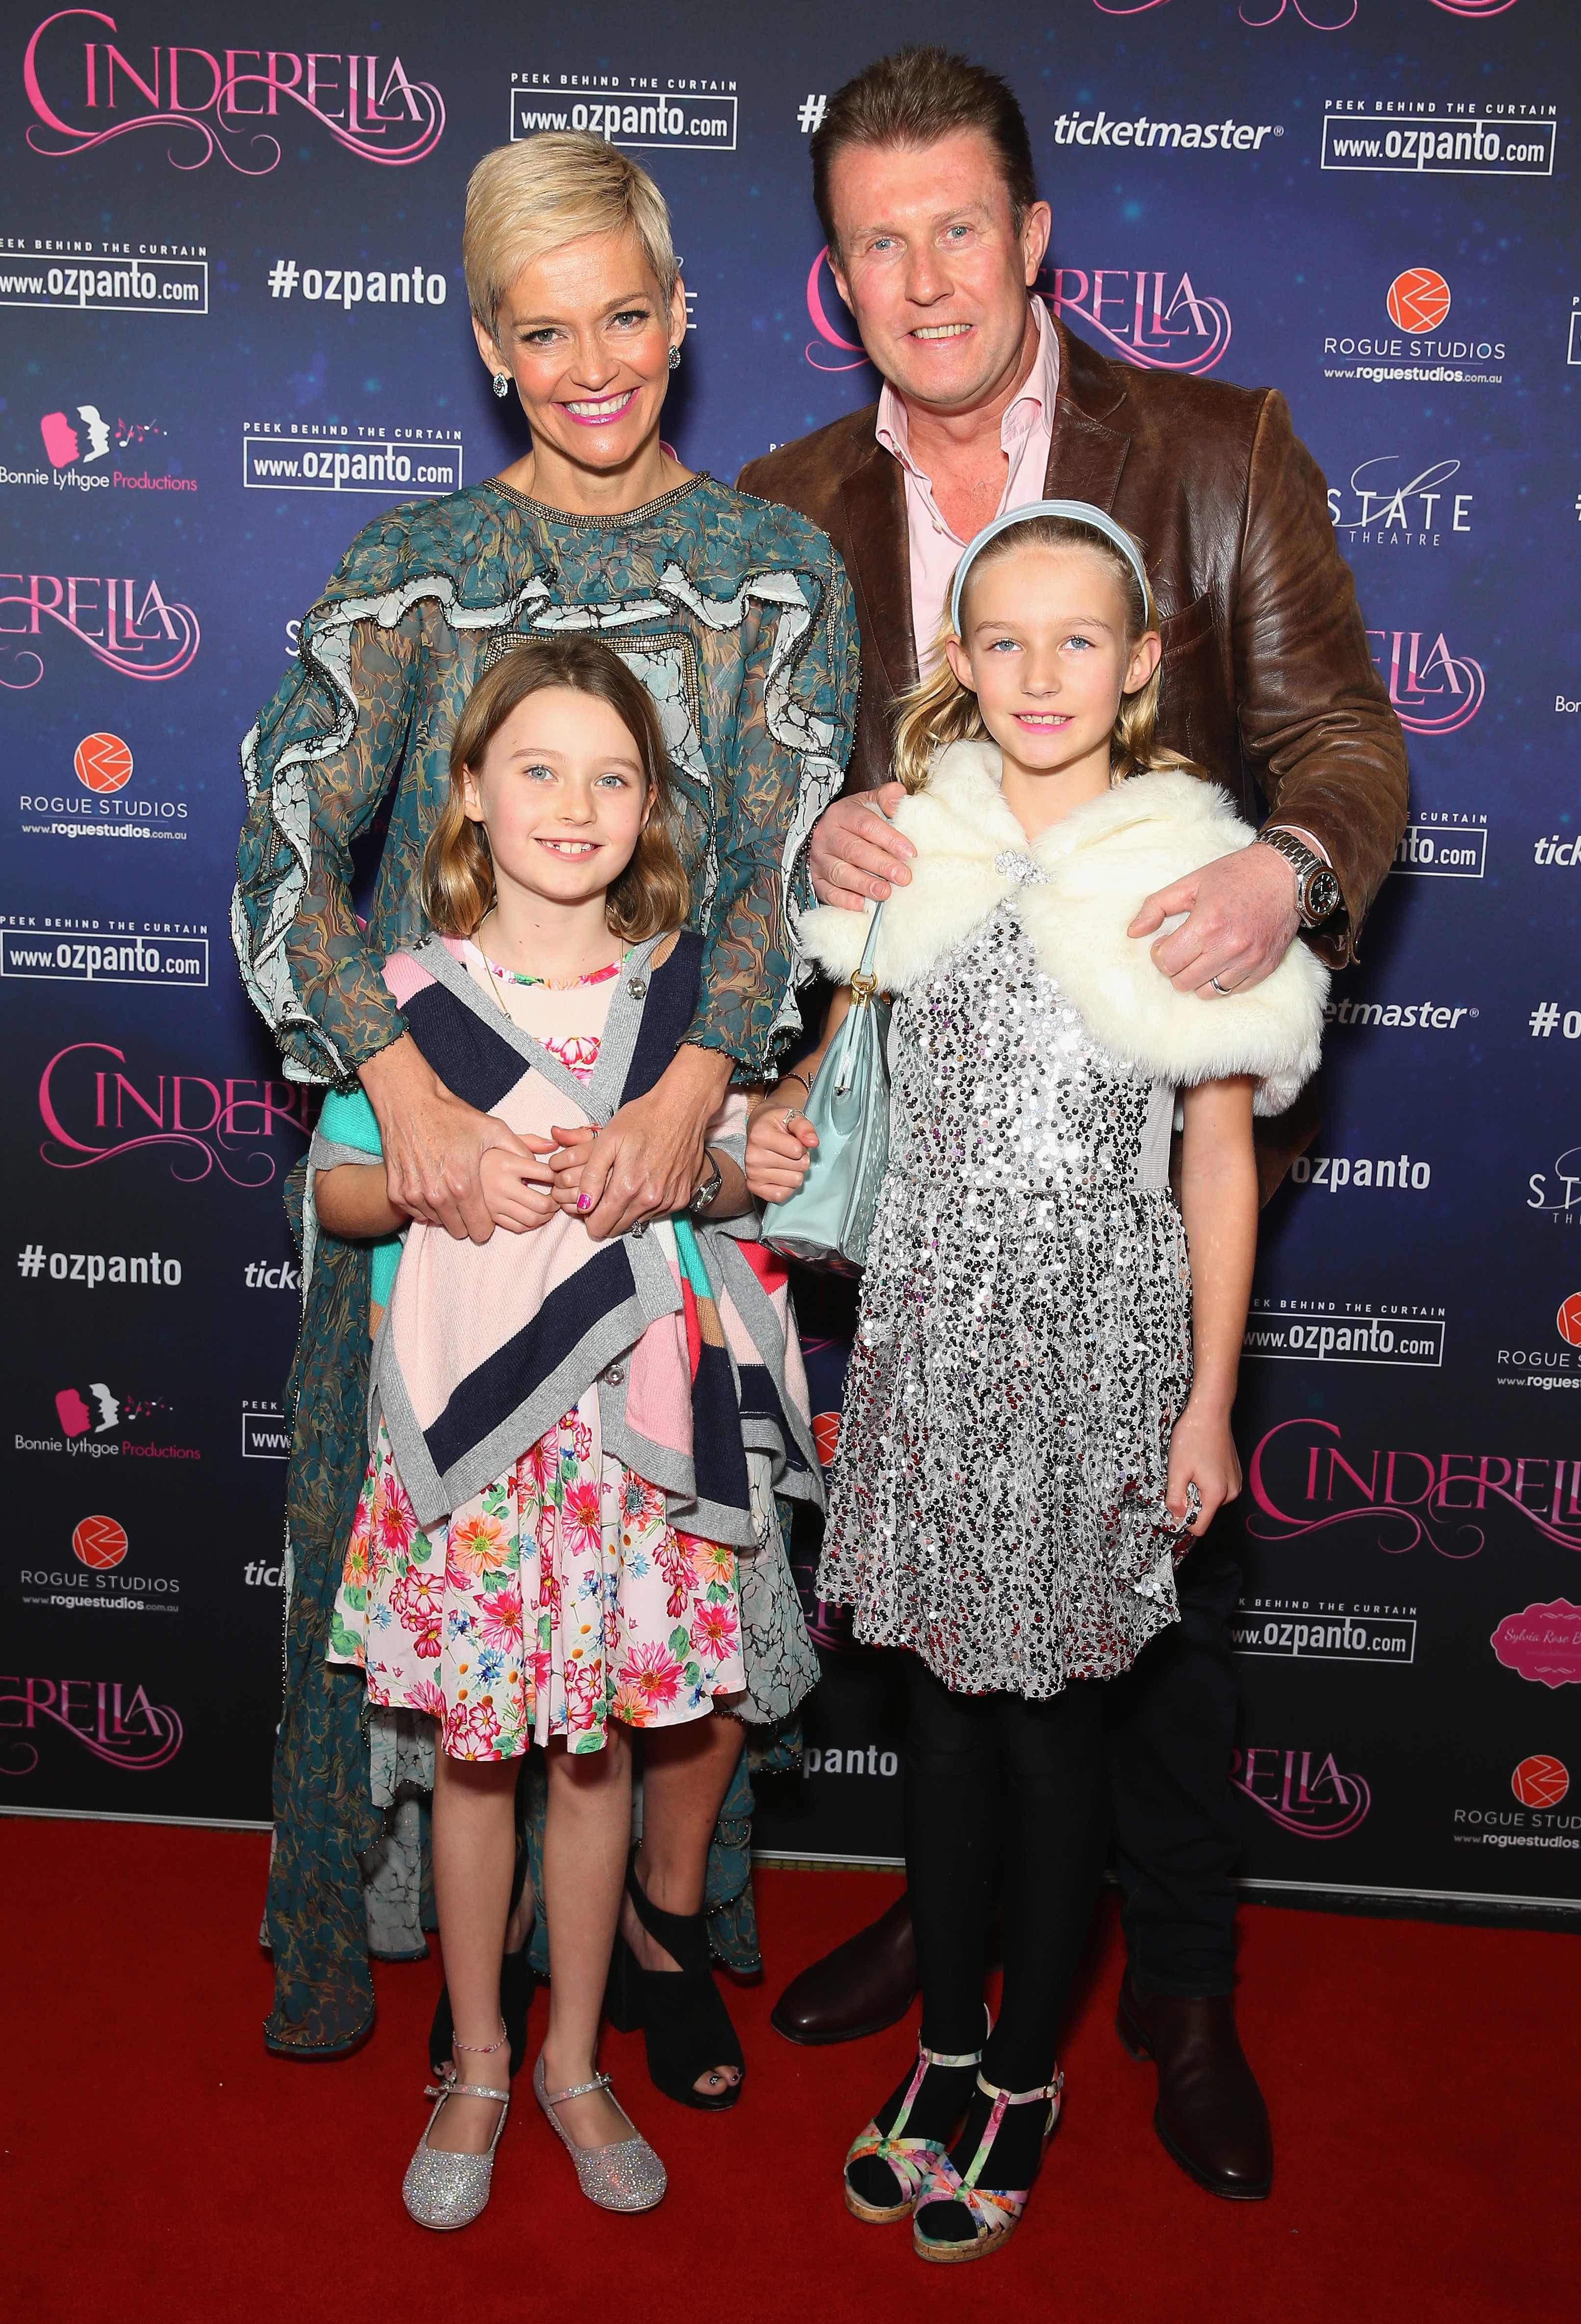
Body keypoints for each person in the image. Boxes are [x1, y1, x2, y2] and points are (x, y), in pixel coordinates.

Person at [739, 47, 1407, 2198]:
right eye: (875, 241)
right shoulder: (785, 501)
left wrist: (1278, 876)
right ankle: (960, 1947)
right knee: (948, 1618)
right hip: (933, 1174)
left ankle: (1176, 1985)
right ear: (831, 277)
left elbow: (1341, 746)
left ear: (1033, 240)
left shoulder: (1213, 451)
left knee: (1155, 1615)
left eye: (958, 226)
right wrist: (815, 831)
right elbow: (775, 827)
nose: (922, 275)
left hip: (1143, 1133)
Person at [234, 132, 858, 2074]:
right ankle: (448, 1993)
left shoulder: (775, 571)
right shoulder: (410, 567)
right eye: (541, 330)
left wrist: (690, 1095)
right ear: (490, 348)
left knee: (658, 1626)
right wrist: (397, 1093)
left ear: (678, 318)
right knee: (440, 1597)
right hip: (449, 1182)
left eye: (622, 319)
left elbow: (784, 878)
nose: (590, 365)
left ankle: (631, 1972)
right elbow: (279, 849)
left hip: (671, 1182)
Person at [748, 505, 1326, 2259]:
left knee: (1060, 1727)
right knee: (935, 1715)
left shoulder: (1188, 858)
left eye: (1081, 640)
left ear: (1143, 663)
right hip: (929, 1339)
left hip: (1097, 1354)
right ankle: (939, 2046)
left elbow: (1215, 1159)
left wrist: (1208, 1396)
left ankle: (1019, 2073)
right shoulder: (911, 847)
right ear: (957, 665)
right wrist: (777, 1124)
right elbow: (835, 1074)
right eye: (1004, 642)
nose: (1042, 674)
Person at [315, 636, 823, 2225]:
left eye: (613, 776)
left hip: (632, 1458)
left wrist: (729, 1166)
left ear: (652, 806)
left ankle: (574, 2054)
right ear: (468, 794)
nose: (575, 802)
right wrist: (424, 1170)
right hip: (475, 1461)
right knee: (480, 1764)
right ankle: (473, 2054)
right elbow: (332, 1192)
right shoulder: (403, 1003)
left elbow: (745, 1178)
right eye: (536, 767)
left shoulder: (690, 993)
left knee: (592, 1761)